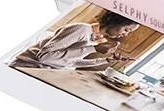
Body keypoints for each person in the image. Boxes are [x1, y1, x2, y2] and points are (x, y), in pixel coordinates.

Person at [11, 10, 139, 70]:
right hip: (25, 68)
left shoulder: (95, 39)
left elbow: (71, 62)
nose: (125, 35)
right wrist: (92, 49)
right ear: (116, 21)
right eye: (126, 29)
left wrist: (106, 60)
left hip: (43, 71)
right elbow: (44, 58)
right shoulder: (81, 30)